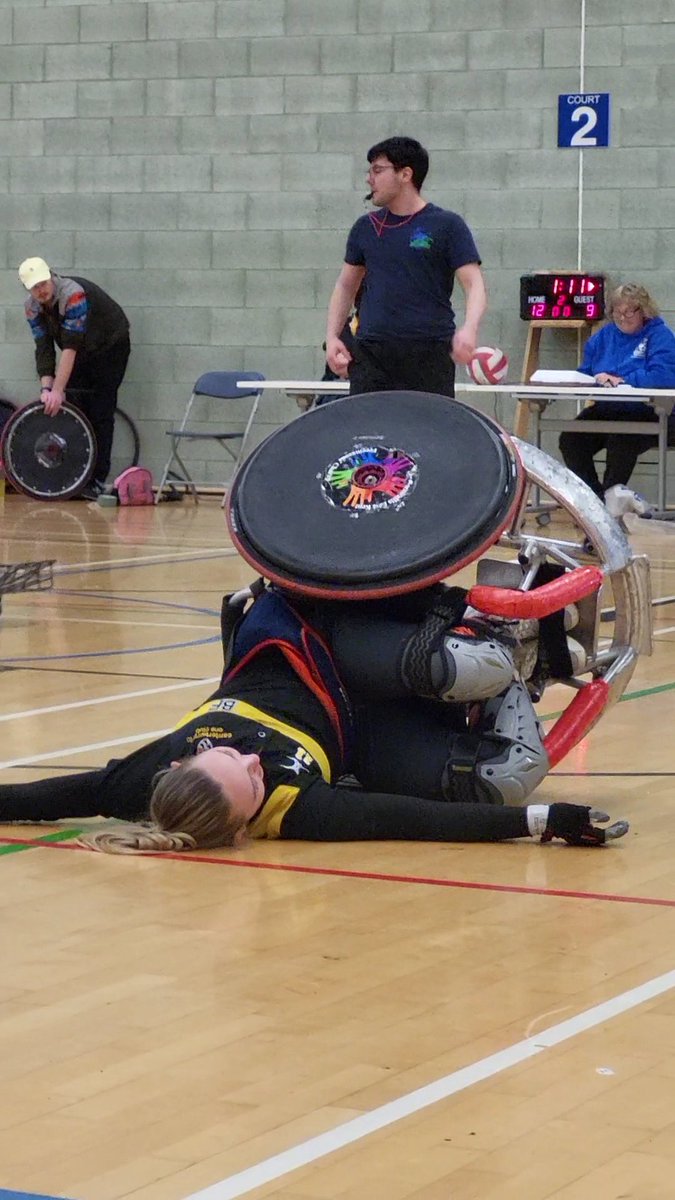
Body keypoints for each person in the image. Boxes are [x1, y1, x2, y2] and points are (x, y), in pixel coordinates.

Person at [0, 584, 627, 854]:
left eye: (227, 756)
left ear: (181, 759)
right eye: (252, 780)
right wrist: (541, 820)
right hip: (360, 724)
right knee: (508, 775)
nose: (252, 760)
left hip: (316, 633)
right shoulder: (297, 811)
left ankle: (493, 634)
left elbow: (50, 796)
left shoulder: (147, 783)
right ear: (248, 828)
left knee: (456, 665)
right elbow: (416, 822)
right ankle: (529, 657)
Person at [325, 136, 487, 397]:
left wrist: (470, 328)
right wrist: (333, 336)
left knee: (426, 435)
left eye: (378, 170)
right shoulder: (364, 228)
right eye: (369, 171)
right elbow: (345, 286)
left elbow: (474, 284)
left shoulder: (447, 225)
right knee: (369, 435)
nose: (369, 179)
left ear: (405, 174)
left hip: (429, 354)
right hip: (371, 356)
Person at [18, 256, 131, 498]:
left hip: (110, 346)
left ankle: (97, 478)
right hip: (81, 351)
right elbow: (44, 349)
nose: (41, 290)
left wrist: (58, 390)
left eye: (43, 283)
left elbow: (70, 348)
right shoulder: (31, 308)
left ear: (50, 276)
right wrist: (47, 390)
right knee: (75, 409)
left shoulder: (74, 295)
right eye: (34, 287)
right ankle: (78, 477)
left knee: (100, 410)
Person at [559, 283, 675, 501]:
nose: (623, 318)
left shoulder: (660, 335)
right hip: (610, 408)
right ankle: (595, 501)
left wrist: (623, 381)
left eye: (629, 311)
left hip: (652, 411)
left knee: (621, 439)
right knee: (571, 440)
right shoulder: (602, 337)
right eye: (617, 312)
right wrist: (591, 381)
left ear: (644, 311)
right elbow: (586, 374)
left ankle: (610, 507)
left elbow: (664, 377)